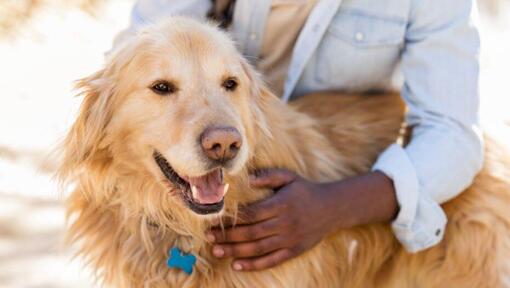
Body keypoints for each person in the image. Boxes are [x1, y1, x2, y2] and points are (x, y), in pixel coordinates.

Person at [122, 0, 483, 272]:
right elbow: (141, 57)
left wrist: (334, 206)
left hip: (354, 178)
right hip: (212, 169)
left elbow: (452, 131)